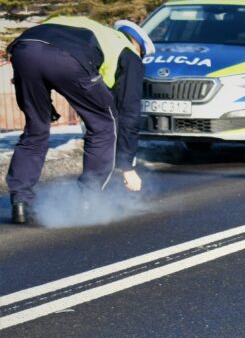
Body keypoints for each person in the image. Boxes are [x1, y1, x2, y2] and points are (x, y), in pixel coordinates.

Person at [5, 16, 154, 224]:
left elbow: (43, 50)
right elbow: (129, 113)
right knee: (104, 125)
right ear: (138, 46)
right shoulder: (129, 53)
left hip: (24, 49)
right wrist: (127, 166)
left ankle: (21, 201)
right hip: (68, 58)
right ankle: (88, 200)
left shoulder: (86, 26)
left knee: (36, 128)